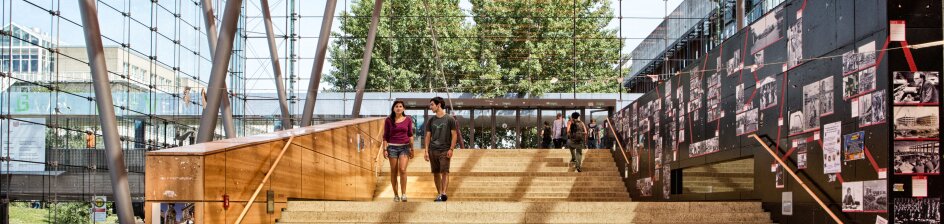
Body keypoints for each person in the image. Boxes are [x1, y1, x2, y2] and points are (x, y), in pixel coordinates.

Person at [424, 97, 458, 202]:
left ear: (438, 105)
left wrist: (451, 149)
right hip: (433, 150)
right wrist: (426, 151)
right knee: (436, 173)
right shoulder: (431, 120)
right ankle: (439, 194)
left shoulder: (450, 119)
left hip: (445, 149)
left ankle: (443, 193)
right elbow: (428, 136)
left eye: (432, 105)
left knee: (445, 172)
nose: (430, 107)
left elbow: (454, 135)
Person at [382, 100, 414, 202]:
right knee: (394, 171)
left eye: (400, 106)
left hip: (405, 147)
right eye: (396, 106)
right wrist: (384, 149)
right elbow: (385, 136)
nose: (398, 108)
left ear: (403, 108)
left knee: (403, 169)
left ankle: (404, 194)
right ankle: (396, 195)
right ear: (393, 108)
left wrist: (412, 149)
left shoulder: (408, 119)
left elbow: (410, 134)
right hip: (392, 148)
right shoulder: (388, 120)